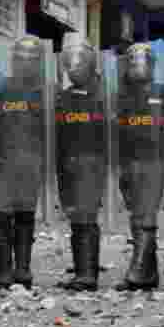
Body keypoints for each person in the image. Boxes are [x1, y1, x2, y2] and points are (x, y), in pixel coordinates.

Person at [114, 42, 164, 291]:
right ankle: (149, 274)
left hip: (154, 159)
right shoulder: (122, 93)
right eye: (133, 61)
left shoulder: (163, 92)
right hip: (128, 159)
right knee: (136, 214)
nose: (138, 66)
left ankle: (138, 272)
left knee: (146, 214)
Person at [0, 35, 50, 290]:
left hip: (32, 160)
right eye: (20, 58)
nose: (25, 63)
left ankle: (22, 269)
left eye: (31, 58)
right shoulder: (4, 87)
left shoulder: (46, 89)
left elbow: (51, 130)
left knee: (25, 215)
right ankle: (5, 269)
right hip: (4, 160)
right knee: (0, 215)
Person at [55, 43, 107, 292]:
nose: (74, 68)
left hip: (91, 164)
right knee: (76, 217)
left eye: (79, 62)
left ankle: (87, 274)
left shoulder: (102, 96)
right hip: (67, 164)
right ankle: (82, 270)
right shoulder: (63, 97)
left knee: (86, 217)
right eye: (70, 63)